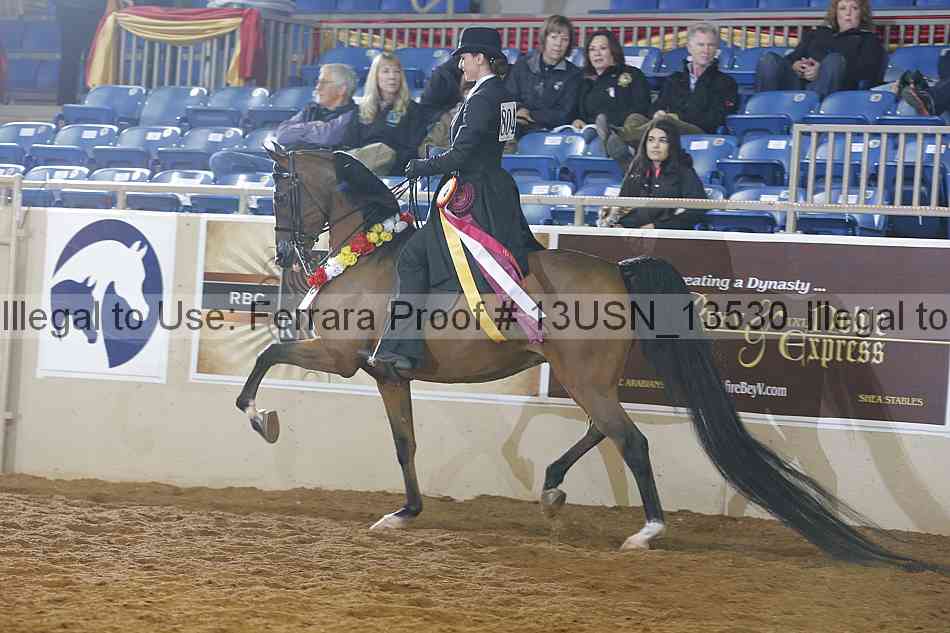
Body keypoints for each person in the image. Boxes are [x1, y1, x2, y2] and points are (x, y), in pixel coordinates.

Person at [365, 26, 545, 377]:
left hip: (472, 196)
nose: (461, 65)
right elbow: (501, 142)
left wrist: (423, 165)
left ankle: (402, 348)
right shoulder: (506, 97)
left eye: (464, 58)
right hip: (496, 188)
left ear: (480, 58)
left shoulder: (482, 97)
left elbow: (462, 154)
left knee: (412, 256)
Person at [602, 22, 738, 166]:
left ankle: (620, 137)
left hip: (700, 130)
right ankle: (627, 146)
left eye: (710, 45)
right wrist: (657, 113)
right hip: (667, 125)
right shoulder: (675, 79)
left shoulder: (726, 82)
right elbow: (657, 105)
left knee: (665, 122)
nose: (706, 50)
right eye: (701, 45)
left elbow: (716, 118)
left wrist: (676, 118)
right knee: (635, 118)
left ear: (716, 49)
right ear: (689, 48)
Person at [754, 0, 885, 98]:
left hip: (835, 89)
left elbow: (867, 71)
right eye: (843, 8)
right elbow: (792, 58)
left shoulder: (869, 39)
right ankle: (763, 109)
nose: (848, 13)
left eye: (854, 8)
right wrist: (796, 65)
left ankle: (815, 111)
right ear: (836, 13)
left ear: (862, 14)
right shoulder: (817, 33)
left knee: (834, 60)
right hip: (798, 83)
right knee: (769, 59)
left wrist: (821, 71)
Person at [598, 118, 708, 230]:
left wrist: (657, 226)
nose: (655, 145)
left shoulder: (684, 171)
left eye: (663, 141)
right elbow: (624, 202)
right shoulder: (637, 168)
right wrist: (620, 224)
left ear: (672, 145)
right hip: (632, 231)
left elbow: (697, 210)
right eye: (651, 140)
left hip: (663, 234)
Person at [504, 15, 582, 137]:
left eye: (565, 39)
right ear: (544, 38)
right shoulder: (522, 65)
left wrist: (530, 115)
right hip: (516, 127)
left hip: (550, 133)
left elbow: (566, 113)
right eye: (554, 37)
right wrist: (519, 111)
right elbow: (507, 99)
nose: (558, 44)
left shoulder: (574, 74)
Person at [571, 30, 650, 144]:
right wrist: (577, 120)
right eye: (592, 49)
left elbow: (642, 107)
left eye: (603, 48)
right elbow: (576, 111)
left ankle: (613, 138)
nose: (597, 53)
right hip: (591, 131)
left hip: (626, 131)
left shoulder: (633, 74)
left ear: (613, 51)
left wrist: (612, 125)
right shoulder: (583, 79)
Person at [355, 52, 427, 177]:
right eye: (386, 71)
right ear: (375, 76)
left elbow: (412, 151)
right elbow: (349, 144)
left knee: (382, 151)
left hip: (393, 171)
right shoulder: (360, 109)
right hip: (360, 167)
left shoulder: (413, 110)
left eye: (396, 72)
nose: (392, 76)